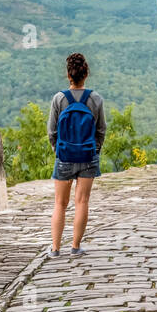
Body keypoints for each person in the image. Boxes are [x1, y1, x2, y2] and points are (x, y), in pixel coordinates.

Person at [46, 52, 106, 258]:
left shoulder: (59, 99)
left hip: (64, 157)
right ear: (86, 74)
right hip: (88, 157)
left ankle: (55, 249)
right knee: (82, 201)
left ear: (68, 75)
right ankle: (75, 246)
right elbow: (101, 131)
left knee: (60, 204)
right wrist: (93, 150)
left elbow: (51, 132)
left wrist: (60, 150)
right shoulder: (96, 99)